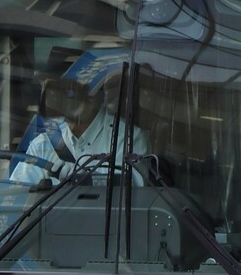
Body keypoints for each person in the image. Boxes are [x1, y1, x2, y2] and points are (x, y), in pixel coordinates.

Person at [10, 59, 149, 185]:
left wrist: (82, 179)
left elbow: (129, 198)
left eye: (61, 89)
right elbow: (17, 197)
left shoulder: (125, 139)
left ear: (86, 92)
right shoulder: (44, 144)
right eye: (46, 90)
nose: (51, 98)